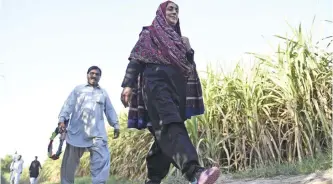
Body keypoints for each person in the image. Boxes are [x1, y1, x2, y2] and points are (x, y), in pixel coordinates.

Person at [120, 1, 220, 184]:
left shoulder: (179, 40)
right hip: (155, 85)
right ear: (161, 13)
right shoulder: (150, 33)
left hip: (176, 91)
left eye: (177, 10)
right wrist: (128, 85)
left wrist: (189, 50)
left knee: (164, 132)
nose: (174, 12)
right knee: (170, 125)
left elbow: (188, 68)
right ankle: (195, 173)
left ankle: (154, 178)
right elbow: (136, 58)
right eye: (170, 9)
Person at [58, 66, 120, 184]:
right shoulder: (78, 90)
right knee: (69, 165)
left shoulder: (103, 93)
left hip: (97, 134)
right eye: (92, 73)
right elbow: (68, 105)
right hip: (77, 132)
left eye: (97, 74)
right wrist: (62, 120)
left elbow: (110, 110)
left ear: (100, 77)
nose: (94, 76)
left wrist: (116, 124)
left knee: (102, 161)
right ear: (87, 75)